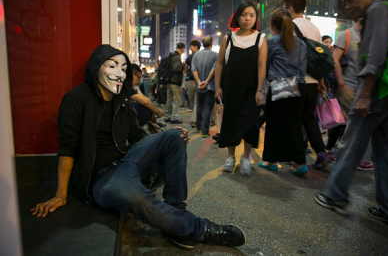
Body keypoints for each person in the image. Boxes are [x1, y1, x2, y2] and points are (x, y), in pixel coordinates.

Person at [30, 44, 247, 248]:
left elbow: (135, 135)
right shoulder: (77, 98)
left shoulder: (122, 98)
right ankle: (200, 229)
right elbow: (67, 147)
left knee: (173, 136)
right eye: (112, 66)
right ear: (97, 68)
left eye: (123, 68)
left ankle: (175, 210)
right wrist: (61, 193)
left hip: (129, 159)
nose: (120, 73)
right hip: (103, 177)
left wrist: (164, 139)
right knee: (138, 199)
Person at [314, 0, 388, 231]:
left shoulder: (378, 10)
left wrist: (364, 96)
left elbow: (375, 58)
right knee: (387, 152)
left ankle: (335, 195)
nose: (348, 7)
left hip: (374, 93)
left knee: (350, 144)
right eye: (344, 4)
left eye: (351, 0)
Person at [215, 1, 267, 176]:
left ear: (256, 18)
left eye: (252, 15)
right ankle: (231, 157)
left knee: (252, 123)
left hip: (252, 89)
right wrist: (217, 87)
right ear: (237, 16)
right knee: (231, 122)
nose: (247, 18)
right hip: (231, 88)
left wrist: (260, 90)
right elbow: (220, 64)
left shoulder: (260, 38)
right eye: (244, 14)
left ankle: (246, 157)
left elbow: (261, 66)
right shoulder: (228, 38)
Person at [283, 0, 330, 170]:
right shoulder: (315, 28)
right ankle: (321, 153)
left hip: (296, 80)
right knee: (309, 118)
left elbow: (288, 53)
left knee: (293, 119)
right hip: (313, 81)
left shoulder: (290, 25)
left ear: (291, 8)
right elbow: (321, 57)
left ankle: (296, 158)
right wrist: (321, 80)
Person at [258, 9, 308, 175]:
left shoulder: (271, 42)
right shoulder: (300, 43)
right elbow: (303, 68)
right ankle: (300, 163)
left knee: (273, 125)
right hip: (297, 86)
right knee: (293, 126)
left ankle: (271, 161)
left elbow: (264, 65)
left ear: (272, 26)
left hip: (278, 85)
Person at [192, 35, 218, 138]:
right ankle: (205, 131)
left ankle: (198, 126)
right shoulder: (215, 55)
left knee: (199, 105)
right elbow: (214, 68)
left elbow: (194, 69)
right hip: (210, 86)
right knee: (208, 107)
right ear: (211, 43)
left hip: (199, 86)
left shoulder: (196, 55)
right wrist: (206, 82)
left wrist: (199, 82)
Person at [130, 64, 167, 129]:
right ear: (131, 74)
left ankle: (152, 126)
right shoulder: (125, 87)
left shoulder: (131, 87)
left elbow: (145, 99)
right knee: (143, 106)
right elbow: (145, 102)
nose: (138, 81)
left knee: (148, 106)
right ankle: (143, 131)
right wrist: (157, 111)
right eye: (138, 78)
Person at [165, 42, 185, 124]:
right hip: (175, 81)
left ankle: (167, 116)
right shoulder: (177, 57)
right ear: (182, 48)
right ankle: (174, 117)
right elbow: (177, 68)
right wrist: (183, 65)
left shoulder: (171, 56)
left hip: (169, 81)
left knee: (169, 100)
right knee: (177, 100)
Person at [184, 39, 201, 128]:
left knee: (193, 102)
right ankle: (195, 119)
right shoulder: (202, 56)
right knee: (195, 103)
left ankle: (194, 120)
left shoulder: (189, 57)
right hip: (199, 81)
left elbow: (185, 69)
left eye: (191, 47)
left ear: (195, 46)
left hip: (191, 81)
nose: (190, 49)